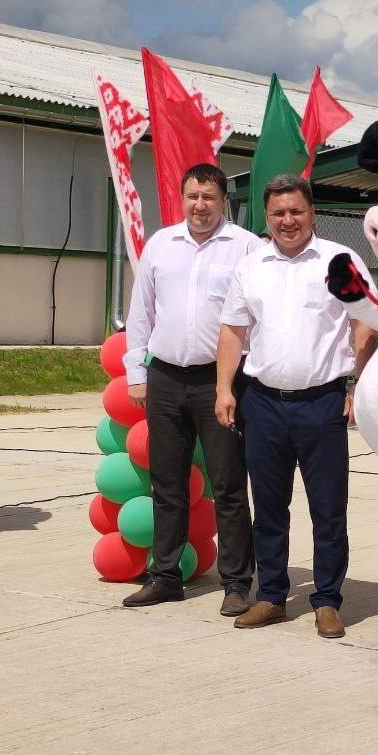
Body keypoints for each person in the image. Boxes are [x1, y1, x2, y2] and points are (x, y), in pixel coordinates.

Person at [215, 174, 375, 639]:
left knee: (328, 509)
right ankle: (271, 596)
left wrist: (358, 384)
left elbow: (365, 323)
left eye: (296, 211)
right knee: (268, 506)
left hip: (322, 403)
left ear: (312, 213)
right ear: (268, 217)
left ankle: (327, 599)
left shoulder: (339, 261)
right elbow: (232, 331)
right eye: (279, 213)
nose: (288, 220)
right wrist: (224, 388)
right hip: (262, 402)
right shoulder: (252, 266)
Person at [119, 164, 263, 612]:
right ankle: (165, 575)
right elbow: (140, 312)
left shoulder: (246, 247)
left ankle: (237, 582)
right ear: (182, 199)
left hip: (219, 382)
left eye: (209, 198)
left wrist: (246, 377)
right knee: (167, 482)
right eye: (193, 197)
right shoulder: (161, 244)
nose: (200, 206)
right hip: (164, 378)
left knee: (228, 485)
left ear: (224, 201)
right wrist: (136, 373)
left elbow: (259, 316)